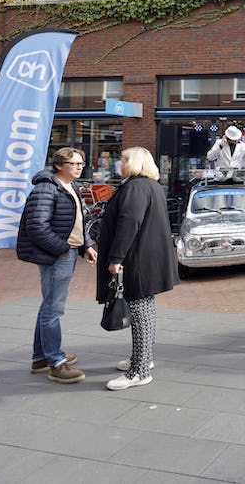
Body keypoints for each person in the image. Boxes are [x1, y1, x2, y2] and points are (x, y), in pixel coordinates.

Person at [95, 147, 179, 390]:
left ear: (133, 163)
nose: (119, 164)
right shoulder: (150, 186)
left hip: (138, 261)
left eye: (123, 160)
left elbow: (129, 223)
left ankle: (139, 371)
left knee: (139, 311)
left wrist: (116, 257)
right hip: (149, 259)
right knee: (146, 309)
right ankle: (143, 360)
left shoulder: (135, 187)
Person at [17, 148, 97, 384]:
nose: (80, 167)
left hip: (68, 251)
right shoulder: (46, 188)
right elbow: (36, 227)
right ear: (59, 164)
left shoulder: (72, 187)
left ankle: (40, 357)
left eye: (81, 163)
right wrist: (63, 249)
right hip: (58, 255)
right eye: (74, 163)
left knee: (48, 306)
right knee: (53, 309)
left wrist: (87, 245)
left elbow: (78, 221)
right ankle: (56, 363)